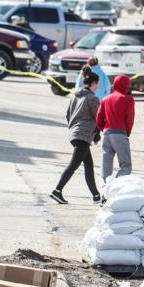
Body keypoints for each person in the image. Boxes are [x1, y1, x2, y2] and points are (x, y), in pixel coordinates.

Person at [50, 68, 103, 204]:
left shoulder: (75, 96)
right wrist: (98, 131)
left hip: (75, 133)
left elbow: (68, 115)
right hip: (83, 135)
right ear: (93, 83)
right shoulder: (92, 98)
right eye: (97, 84)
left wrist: (74, 127)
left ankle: (96, 196)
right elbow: (99, 117)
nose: (98, 87)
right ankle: (57, 190)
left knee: (89, 166)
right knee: (74, 165)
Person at [96, 74, 134, 179]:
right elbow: (129, 119)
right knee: (126, 166)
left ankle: (104, 190)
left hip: (106, 134)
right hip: (120, 134)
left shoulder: (105, 99)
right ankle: (114, 186)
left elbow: (98, 118)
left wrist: (103, 128)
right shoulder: (128, 100)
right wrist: (127, 132)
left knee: (105, 167)